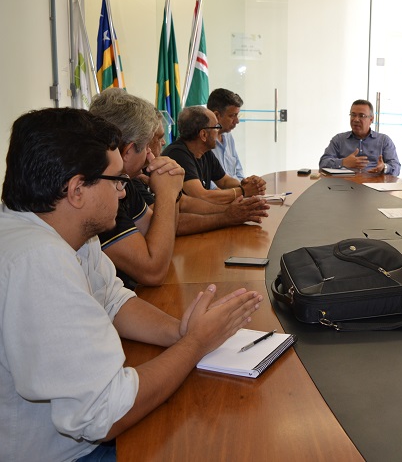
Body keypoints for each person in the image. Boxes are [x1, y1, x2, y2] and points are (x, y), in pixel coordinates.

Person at [0, 108, 262, 461]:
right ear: (77, 190)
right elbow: (105, 415)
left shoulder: (68, 229)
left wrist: (182, 331)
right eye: (117, 181)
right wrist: (195, 345)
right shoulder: (38, 261)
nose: (124, 193)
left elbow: (112, 298)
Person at [89, 89, 184, 288]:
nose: (150, 153)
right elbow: (153, 272)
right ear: (129, 150)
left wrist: (172, 191)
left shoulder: (125, 182)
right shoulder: (96, 192)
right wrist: (166, 193)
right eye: (147, 146)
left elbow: (160, 236)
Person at [134, 117, 271, 236]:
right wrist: (232, 208)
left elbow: (186, 201)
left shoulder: (205, 152)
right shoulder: (176, 154)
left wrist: (245, 186)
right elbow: (170, 222)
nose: (164, 142)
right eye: (159, 137)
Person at [162, 106, 267, 204]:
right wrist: (243, 191)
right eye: (216, 127)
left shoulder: (205, 152)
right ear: (203, 134)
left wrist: (248, 183)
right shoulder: (178, 155)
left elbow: (224, 181)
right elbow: (201, 196)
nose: (219, 131)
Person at [319, 99, 401, 175]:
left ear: (371, 119)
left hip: (375, 185)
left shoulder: (384, 140)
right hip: (345, 185)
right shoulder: (339, 139)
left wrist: (384, 168)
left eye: (361, 116)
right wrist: (343, 162)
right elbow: (323, 163)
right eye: (353, 115)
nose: (356, 119)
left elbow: (396, 168)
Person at [207, 88, 246, 184]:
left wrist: (249, 184)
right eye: (232, 115)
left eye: (238, 115)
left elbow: (239, 173)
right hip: (221, 197)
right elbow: (210, 186)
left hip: (237, 192)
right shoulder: (204, 142)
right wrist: (241, 191)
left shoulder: (228, 137)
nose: (237, 121)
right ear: (216, 115)